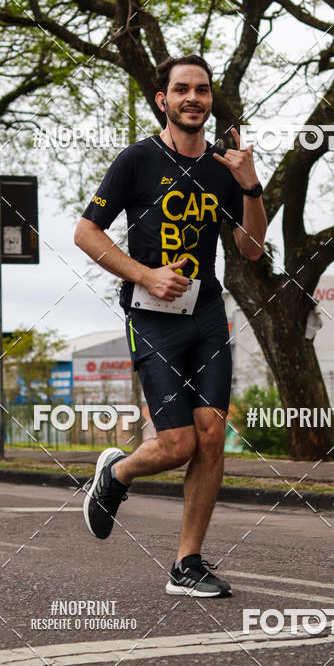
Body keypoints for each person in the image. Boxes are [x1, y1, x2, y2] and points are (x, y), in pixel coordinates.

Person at [74, 54, 267, 597]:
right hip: (151, 316)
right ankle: (115, 475)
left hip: (207, 315)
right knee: (177, 443)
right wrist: (145, 274)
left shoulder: (224, 168)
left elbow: (251, 250)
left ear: (210, 100)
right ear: (163, 100)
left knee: (211, 437)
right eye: (181, 89)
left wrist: (250, 187)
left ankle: (187, 564)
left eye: (202, 90)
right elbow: (86, 233)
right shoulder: (137, 160)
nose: (193, 98)